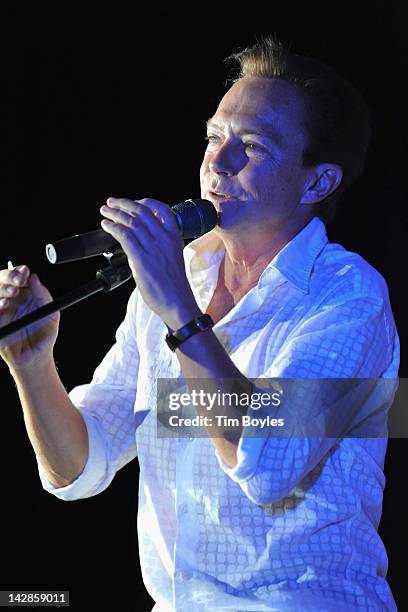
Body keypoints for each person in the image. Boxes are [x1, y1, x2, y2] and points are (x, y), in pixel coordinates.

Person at [0, 36, 400, 611]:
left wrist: (181, 314)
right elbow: (80, 466)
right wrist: (33, 366)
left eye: (253, 147)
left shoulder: (346, 296)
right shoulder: (178, 278)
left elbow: (266, 462)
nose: (218, 161)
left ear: (318, 182)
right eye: (215, 137)